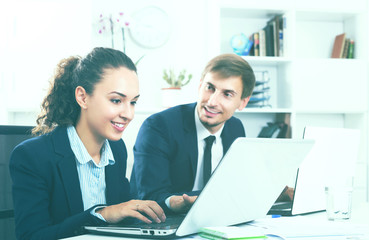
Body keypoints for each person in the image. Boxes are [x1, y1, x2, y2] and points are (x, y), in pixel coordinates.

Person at [9, 47, 166, 240]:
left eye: (133, 102)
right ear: (82, 97)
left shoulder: (117, 150)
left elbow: (124, 217)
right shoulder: (32, 156)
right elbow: (31, 236)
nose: (128, 114)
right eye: (116, 100)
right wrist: (102, 215)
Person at [130, 53, 255, 214]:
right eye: (210, 88)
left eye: (227, 94)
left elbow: (234, 184)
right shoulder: (158, 127)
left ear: (243, 102)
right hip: (162, 221)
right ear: (200, 86)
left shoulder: (236, 129)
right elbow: (150, 195)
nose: (212, 102)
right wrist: (176, 202)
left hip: (214, 219)